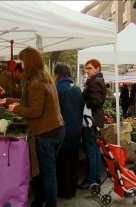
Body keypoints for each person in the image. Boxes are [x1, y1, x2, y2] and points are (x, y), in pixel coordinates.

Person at [0, 46, 64, 207]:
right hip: (57, 130)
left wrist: (16, 109)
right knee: (47, 172)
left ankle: (50, 204)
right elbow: (31, 102)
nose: (21, 64)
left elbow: (34, 111)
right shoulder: (44, 76)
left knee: (48, 174)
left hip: (46, 133)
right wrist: (7, 101)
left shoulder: (36, 82)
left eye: (23, 60)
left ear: (29, 61)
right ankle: (39, 201)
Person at [54, 62, 85, 199]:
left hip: (62, 131)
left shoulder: (56, 89)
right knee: (74, 161)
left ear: (57, 75)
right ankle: (72, 189)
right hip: (77, 131)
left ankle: (65, 192)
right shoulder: (77, 89)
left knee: (63, 163)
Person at [77, 59, 106, 189]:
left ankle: (91, 179)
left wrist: (84, 102)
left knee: (91, 150)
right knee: (94, 150)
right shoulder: (96, 80)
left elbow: (96, 101)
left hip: (91, 120)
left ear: (97, 68)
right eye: (86, 68)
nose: (87, 71)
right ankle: (96, 178)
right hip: (94, 119)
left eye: (89, 68)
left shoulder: (95, 81)